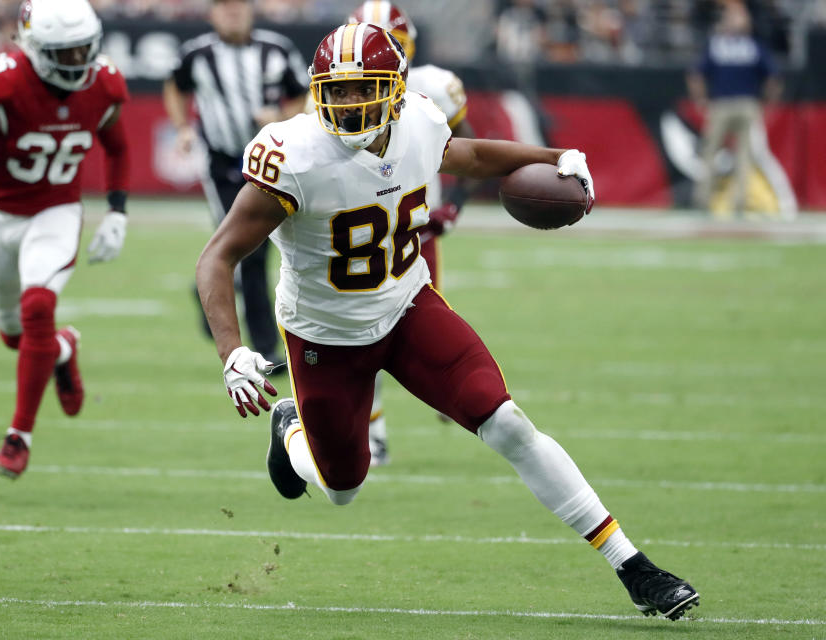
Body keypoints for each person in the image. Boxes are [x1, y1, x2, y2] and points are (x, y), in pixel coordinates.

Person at [195, 23, 700, 620]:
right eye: (339, 91)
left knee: (508, 423)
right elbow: (217, 257)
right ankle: (291, 430)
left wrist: (554, 157)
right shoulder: (293, 154)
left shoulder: (419, 122)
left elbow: (473, 155)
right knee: (342, 487)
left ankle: (633, 566)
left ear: (396, 91)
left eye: (366, 89)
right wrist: (232, 352)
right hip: (326, 336)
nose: (351, 103)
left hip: (408, 304)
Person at [0, 0, 130, 479]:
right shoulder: (0, 81)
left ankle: (19, 438)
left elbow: (117, 147)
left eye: (85, 49)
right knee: (14, 334)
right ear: (34, 47)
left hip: (56, 212)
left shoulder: (103, 83)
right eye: (66, 52)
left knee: (38, 308)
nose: (79, 62)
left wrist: (117, 211)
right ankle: (62, 349)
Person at [346, 1, 476, 466]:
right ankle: (374, 431)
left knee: (427, 335)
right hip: (357, 236)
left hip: (415, 233)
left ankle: (455, 388)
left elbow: (470, 148)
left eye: (392, 45)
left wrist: (453, 207)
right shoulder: (339, 96)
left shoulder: (433, 90)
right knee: (362, 336)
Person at [163, 0, 309, 366]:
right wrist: (182, 127)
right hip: (223, 164)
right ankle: (264, 346)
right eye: (224, 6)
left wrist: (278, 115)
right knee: (250, 249)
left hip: (271, 162)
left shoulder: (276, 49)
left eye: (239, 5)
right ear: (212, 13)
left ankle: (207, 291)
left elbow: (304, 97)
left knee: (251, 248)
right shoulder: (196, 54)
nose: (232, 13)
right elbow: (174, 87)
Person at [687, 1, 781, 216]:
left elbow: (773, 78)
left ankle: (737, 202)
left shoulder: (751, 45)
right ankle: (703, 200)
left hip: (744, 104)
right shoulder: (719, 43)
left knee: (743, 155)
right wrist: (701, 99)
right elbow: (696, 74)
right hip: (725, 104)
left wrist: (766, 102)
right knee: (712, 153)